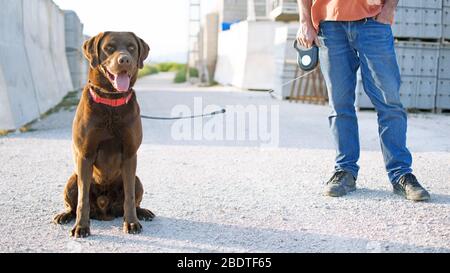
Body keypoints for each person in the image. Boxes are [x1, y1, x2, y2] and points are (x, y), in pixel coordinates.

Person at [296, 0, 430, 201]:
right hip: (330, 24)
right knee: (340, 105)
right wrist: (305, 21)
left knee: (389, 102)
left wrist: (390, 8)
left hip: (373, 22)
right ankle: (345, 171)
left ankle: (401, 173)